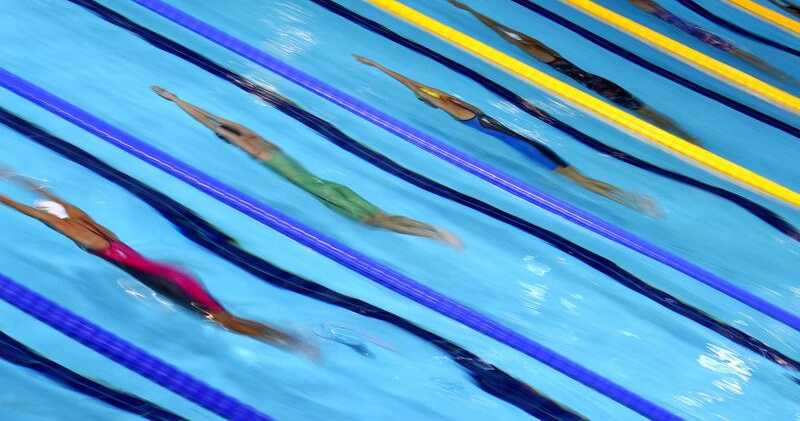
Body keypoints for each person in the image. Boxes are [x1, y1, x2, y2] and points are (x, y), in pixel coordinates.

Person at [0, 171, 316, 358]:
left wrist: (9, 200)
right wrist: (19, 180)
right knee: (226, 318)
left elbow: (40, 214)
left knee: (225, 322)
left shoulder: (74, 231)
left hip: (165, 283)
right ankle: (288, 339)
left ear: (55, 221)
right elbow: (53, 201)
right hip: (170, 274)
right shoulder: (87, 221)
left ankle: (291, 342)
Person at [152, 87, 462, 249]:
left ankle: (434, 235)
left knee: (376, 222)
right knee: (382, 216)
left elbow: (209, 123)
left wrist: (174, 101)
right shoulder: (258, 138)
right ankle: (433, 229)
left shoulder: (249, 147)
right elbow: (215, 119)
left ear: (234, 142)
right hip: (330, 186)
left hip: (324, 193)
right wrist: (179, 98)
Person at [354, 55, 657, 214]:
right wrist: (379, 67)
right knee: (580, 179)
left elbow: (423, 89)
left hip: (529, 146)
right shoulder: (459, 110)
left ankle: (633, 200)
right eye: (434, 96)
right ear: (435, 102)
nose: (438, 94)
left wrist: (381, 66)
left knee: (580, 178)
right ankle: (632, 200)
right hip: (529, 147)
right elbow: (419, 89)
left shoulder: (459, 106)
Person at [444, 0, 696, 142]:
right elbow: (517, 36)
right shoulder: (545, 50)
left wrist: (472, 12)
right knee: (646, 110)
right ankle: (683, 134)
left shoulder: (538, 52)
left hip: (597, 86)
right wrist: (472, 11)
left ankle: (682, 137)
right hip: (597, 81)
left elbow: (512, 36)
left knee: (644, 113)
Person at [565, 0, 797, 85]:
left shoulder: (649, 7)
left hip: (693, 31)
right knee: (739, 53)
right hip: (695, 31)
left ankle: (778, 75)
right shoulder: (647, 5)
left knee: (739, 53)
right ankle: (779, 75)